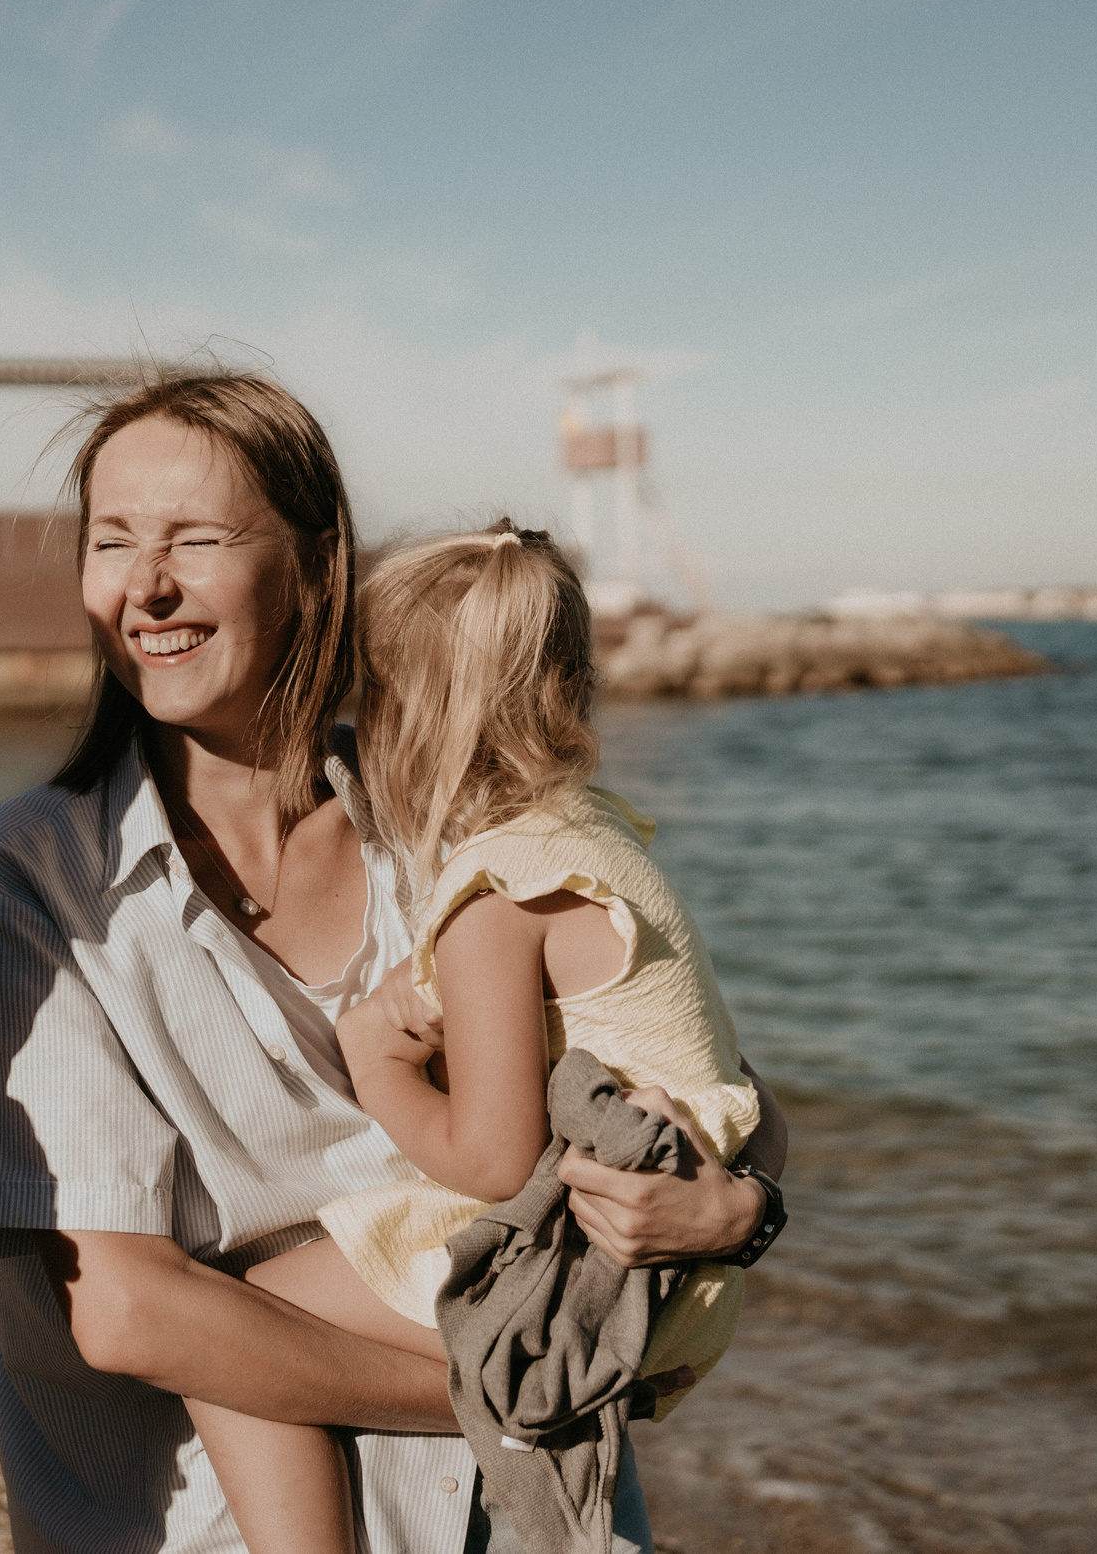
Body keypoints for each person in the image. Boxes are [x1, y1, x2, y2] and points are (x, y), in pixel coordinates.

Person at [0, 372, 788, 1554]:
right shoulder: (24, 889)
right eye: (111, 541)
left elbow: (697, 1071)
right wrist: (537, 1389)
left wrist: (737, 1207)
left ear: (318, 566)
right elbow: (127, 1313)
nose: (145, 584)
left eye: (196, 539)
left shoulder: (456, 822)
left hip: (533, 1523)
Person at [177, 523, 776, 1554]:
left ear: (410, 716)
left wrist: (378, 1063)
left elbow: (495, 1162)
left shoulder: (493, 899)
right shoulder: (595, 834)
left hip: (595, 1276)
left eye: (369, 695)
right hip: (689, 1272)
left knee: (224, 1332)